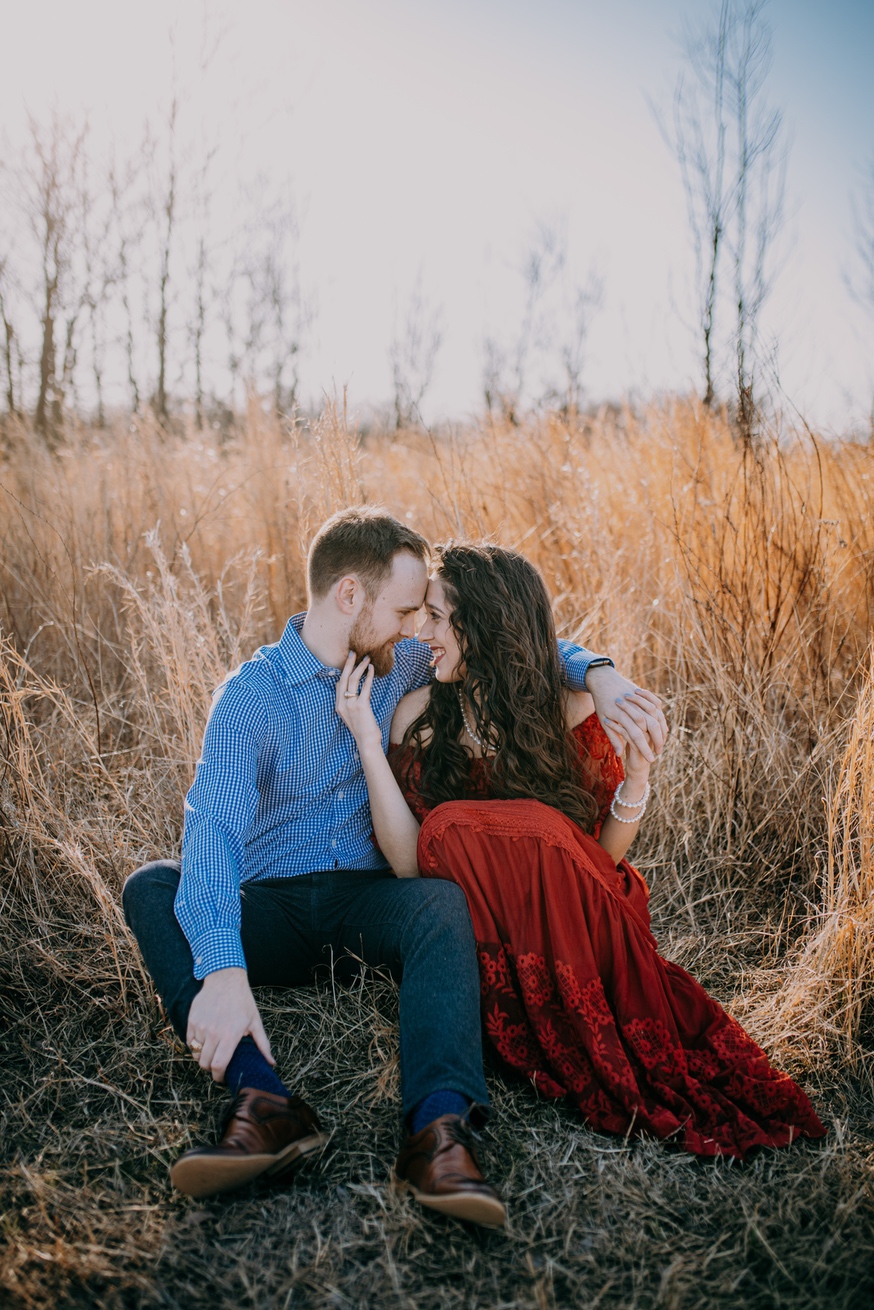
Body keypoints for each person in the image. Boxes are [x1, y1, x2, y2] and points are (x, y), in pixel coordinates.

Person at [123, 507, 667, 1228]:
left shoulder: (400, 660)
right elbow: (213, 834)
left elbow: (506, 638)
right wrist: (223, 969)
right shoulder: (249, 698)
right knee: (154, 888)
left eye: (423, 614)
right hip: (275, 910)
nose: (419, 628)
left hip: (370, 906)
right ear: (350, 597)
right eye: (407, 609)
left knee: (441, 903)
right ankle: (263, 1102)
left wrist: (596, 672)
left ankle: (441, 1132)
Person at [336, 542, 826, 1160]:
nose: (421, 633)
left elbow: (601, 859)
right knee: (453, 827)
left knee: (523, 829)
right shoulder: (418, 718)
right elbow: (411, 863)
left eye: (436, 617)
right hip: (488, 938)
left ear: (482, 625)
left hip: (582, 922)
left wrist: (637, 781)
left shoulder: (571, 711)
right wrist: (367, 743)